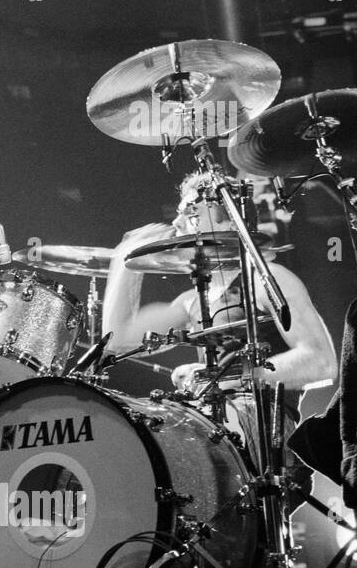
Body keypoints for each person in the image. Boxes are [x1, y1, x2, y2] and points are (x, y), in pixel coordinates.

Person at [103, 170, 337, 418]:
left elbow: (320, 362)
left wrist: (220, 377)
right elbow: (117, 342)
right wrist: (125, 263)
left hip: (262, 426)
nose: (176, 223)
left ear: (229, 222)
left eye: (192, 212)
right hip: (215, 423)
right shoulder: (191, 300)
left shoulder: (266, 279)